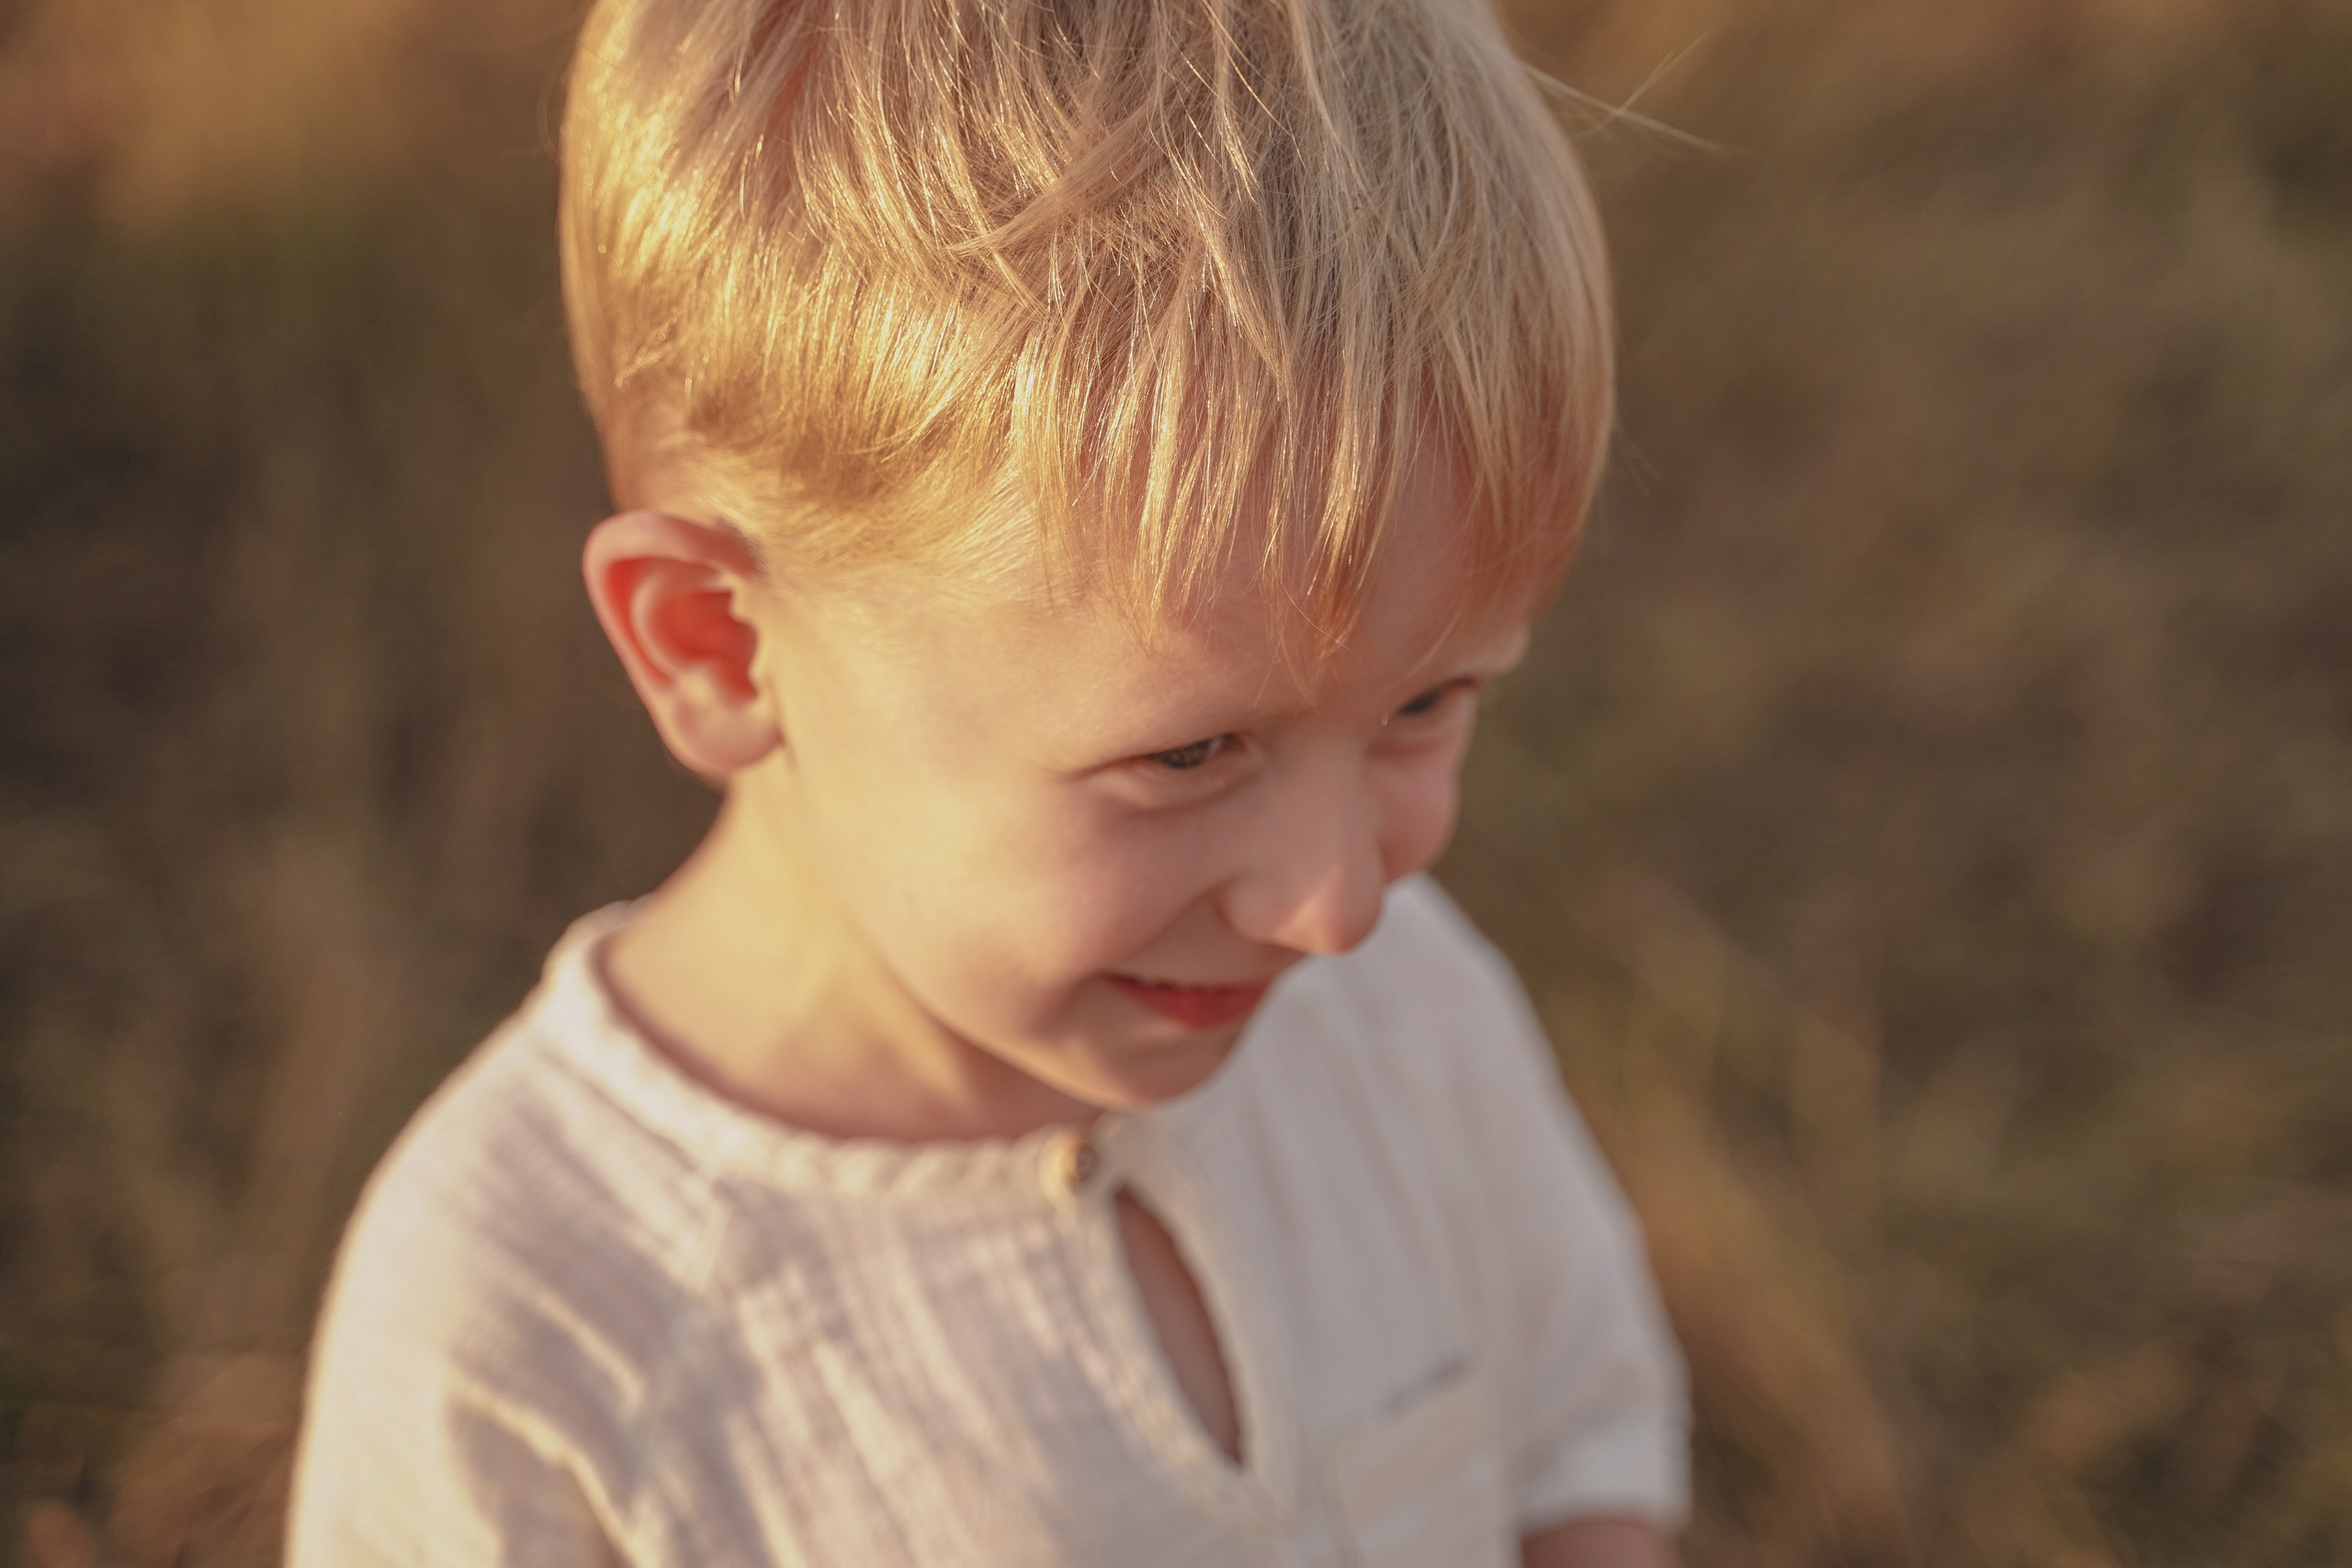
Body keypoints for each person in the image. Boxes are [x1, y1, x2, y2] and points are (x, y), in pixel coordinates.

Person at [287, 0, 1689, 1562]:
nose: (1339, 903)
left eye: (1428, 702)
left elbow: (1578, 1439)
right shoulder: (534, 1330)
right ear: (719, 648)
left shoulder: (1406, 1022)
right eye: (1187, 752)